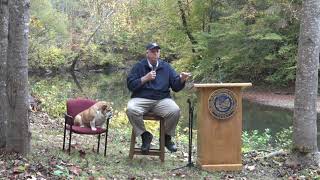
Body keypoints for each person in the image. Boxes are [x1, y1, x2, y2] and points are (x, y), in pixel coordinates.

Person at [126, 42, 191, 154]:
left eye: (157, 51)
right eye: (153, 51)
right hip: (141, 98)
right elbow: (131, 85)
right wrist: (144, 79)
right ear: (147, 53)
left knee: (174, 111)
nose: (155, 53)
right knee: (131, 109)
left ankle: (166, 138)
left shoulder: (166, 67)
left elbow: (175, 86)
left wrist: (182, 79)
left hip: (162, 99)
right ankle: (145, 136)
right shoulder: (139, 66)